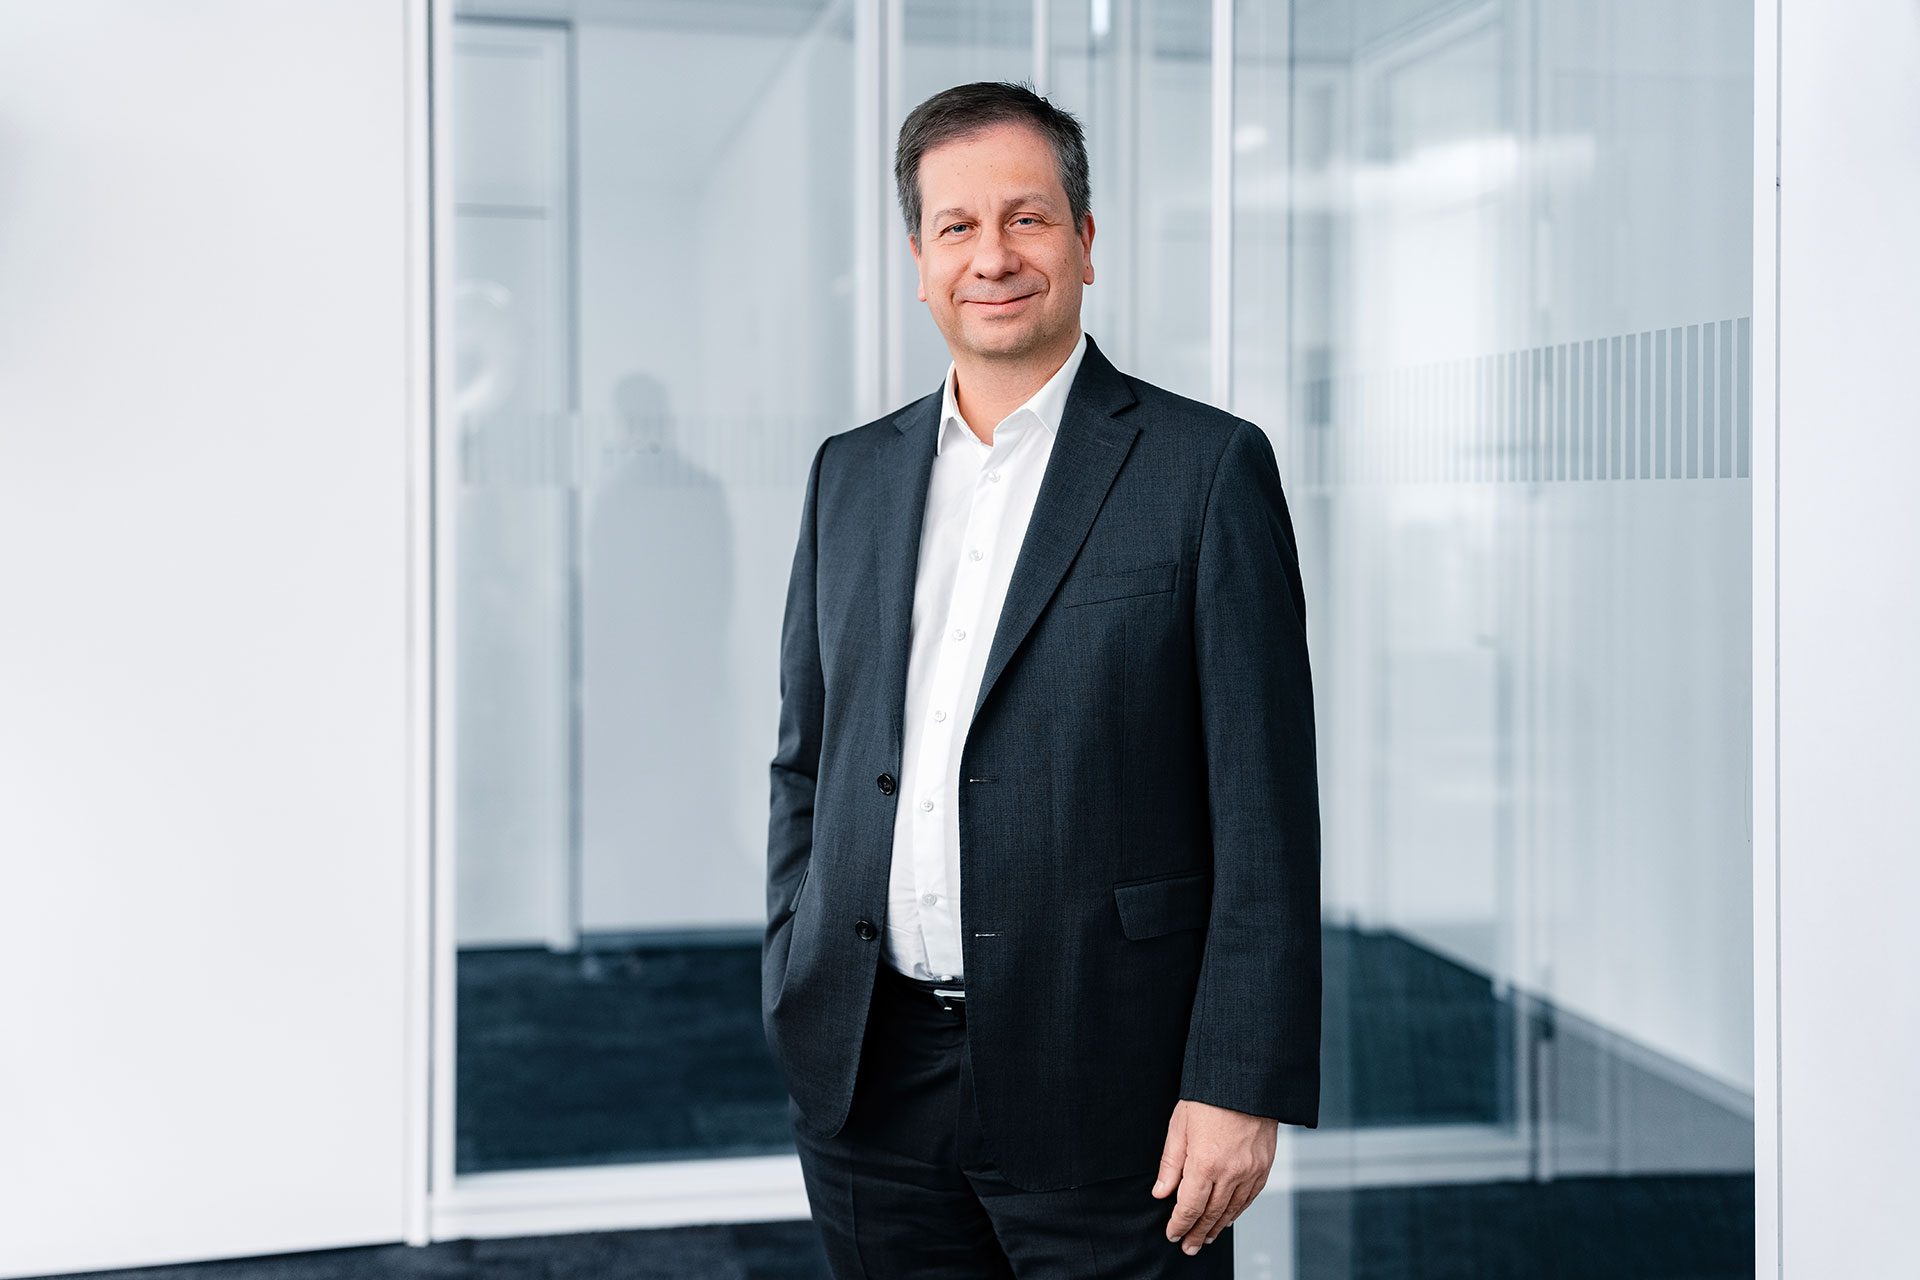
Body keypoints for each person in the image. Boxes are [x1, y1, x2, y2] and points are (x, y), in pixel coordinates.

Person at [762, 80, 1320, 1278]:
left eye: (1028, 217)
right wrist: (792, 958)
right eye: (957, 226)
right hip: (868, 1075)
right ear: (920, 263)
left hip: (1113, 1079)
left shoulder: (1205, 467)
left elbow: (1264, 808)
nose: (994, 255)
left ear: (1085, 241)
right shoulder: (847, 475)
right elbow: (807, 759)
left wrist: (1239, 1079)